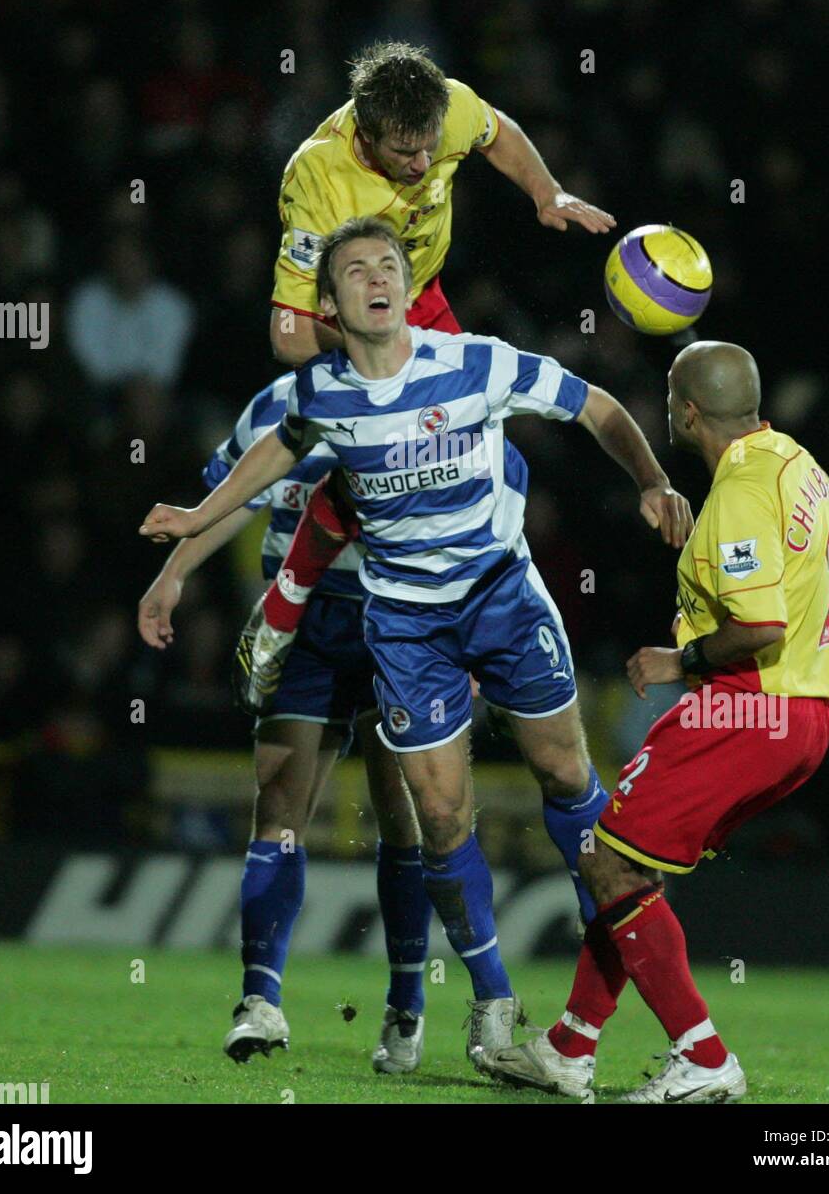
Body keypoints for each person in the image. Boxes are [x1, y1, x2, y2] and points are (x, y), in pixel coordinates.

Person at [139, 216, 692, 1070]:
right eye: (356, 269)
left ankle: (612, 965)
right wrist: (194, 523)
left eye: (389, 264)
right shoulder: (317, 394)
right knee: (436, 817)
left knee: (566, 779)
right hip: (403, 623)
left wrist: (652, 481)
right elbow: (273, 458)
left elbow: (598, 405)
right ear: (330, 303)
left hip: (503, 598)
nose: (377, 278)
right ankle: (492, 1003)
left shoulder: (472, 362)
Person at [478, 341, 829, 1102]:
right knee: (630, 868)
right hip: (802, 713)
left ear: (684, 411)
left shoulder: (740, 491)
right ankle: (567, 1047)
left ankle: (704, 1057)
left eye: (667, 397)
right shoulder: (792, 460)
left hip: (746, 708)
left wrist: (671, 664)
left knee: (608, 865)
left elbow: (758, 625)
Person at [254, 40, 616, 675]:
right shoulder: (317, 175)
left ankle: (483, 632)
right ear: (365, 136)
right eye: (405, 152)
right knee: (386, 471)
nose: (425, 162)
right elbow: (289, 335)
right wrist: (382, 355)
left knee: (491, 465)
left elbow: (496, 132)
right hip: (350, 327)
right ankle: (284, 610)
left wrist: (546, 191)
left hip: (421, 301)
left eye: (430, 147)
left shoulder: (441, 107)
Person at [137, 375, 433, 1075]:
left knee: (402, 814)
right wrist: (173, 573)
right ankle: (259, 1000)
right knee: (278, 809)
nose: (288, 318)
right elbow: (238, 498)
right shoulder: (274, 400)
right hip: (299, 622)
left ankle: (405, 1003)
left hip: (394, 619)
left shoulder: (419, 389)